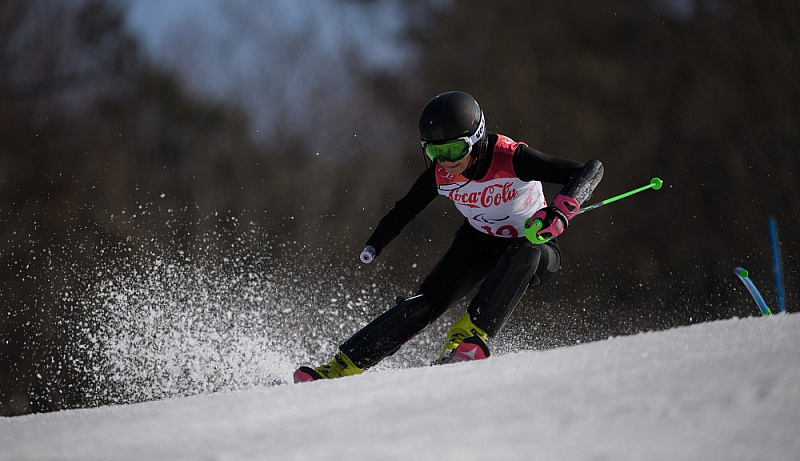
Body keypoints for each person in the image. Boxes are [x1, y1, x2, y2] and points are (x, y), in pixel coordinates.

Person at [294, 91, 603, 382]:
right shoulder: (440, 175)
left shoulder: (510, 157)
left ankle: (469, 334)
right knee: (425, 303)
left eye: (454, 150)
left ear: (476, 140)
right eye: (435, 151)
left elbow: (589, 170)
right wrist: (376, 243)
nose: (447, 161)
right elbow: (405, 209)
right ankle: (341, 366)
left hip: (536, 244)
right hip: (479, 242)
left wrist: (559, 212)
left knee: (526, 249)